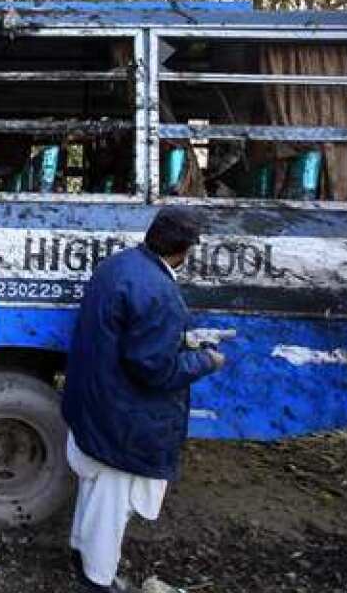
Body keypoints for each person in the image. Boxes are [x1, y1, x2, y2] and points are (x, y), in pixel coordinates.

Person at [60, 207, 227, 593]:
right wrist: (205, 360)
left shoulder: (118, 267)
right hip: (123, 421)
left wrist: (181, 341)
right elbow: (154, 370)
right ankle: (97, 580)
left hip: (96, 407)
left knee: (95, 493)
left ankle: (81, 557)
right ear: (183, 251)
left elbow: (127, 340)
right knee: (113, 506)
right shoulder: (159, 291)